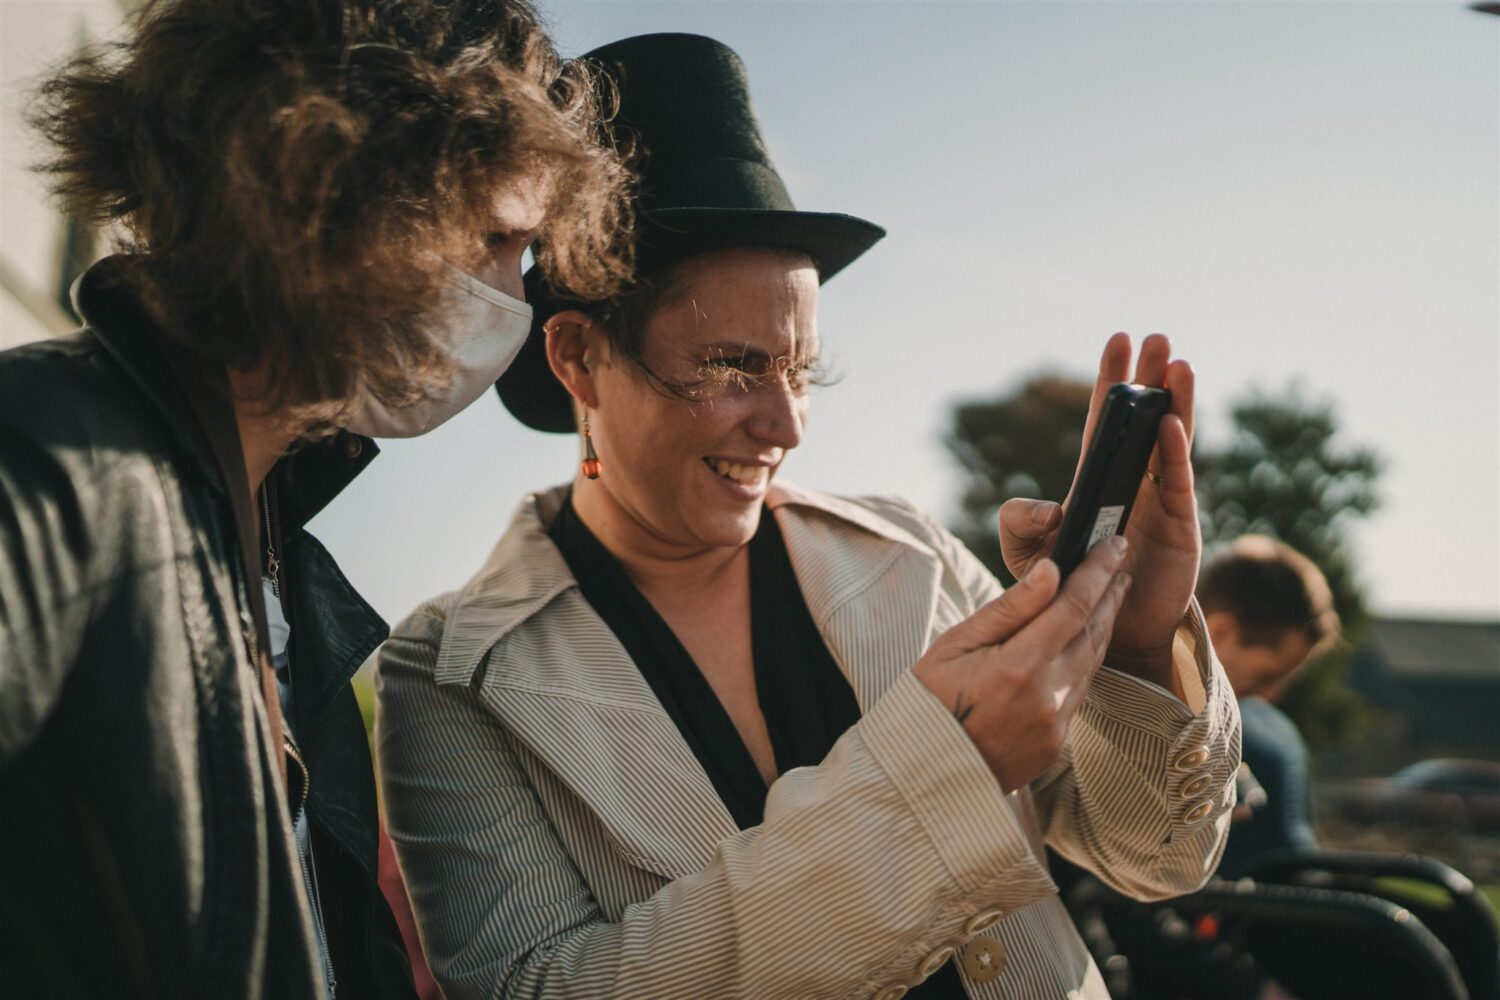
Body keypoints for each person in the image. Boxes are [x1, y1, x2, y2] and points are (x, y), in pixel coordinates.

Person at [376, 32, 1240, 1000]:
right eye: (731, 366)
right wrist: (948, 771)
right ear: (577, 356)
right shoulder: (451, 677)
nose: (784, 423)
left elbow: (1154, 858)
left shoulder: (911, 552)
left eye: (802, 370)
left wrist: (1134, 644)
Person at [0, 1, 630, 996]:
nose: (518, 295)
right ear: (332, 182)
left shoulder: (289, 563)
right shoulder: (48, 458)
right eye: (499, 239)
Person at [1199, 536, 1341, 879]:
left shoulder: (1266, 732)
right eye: (1266, 677)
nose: (1271, 695)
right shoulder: (1267, 735)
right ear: (1220, 633)